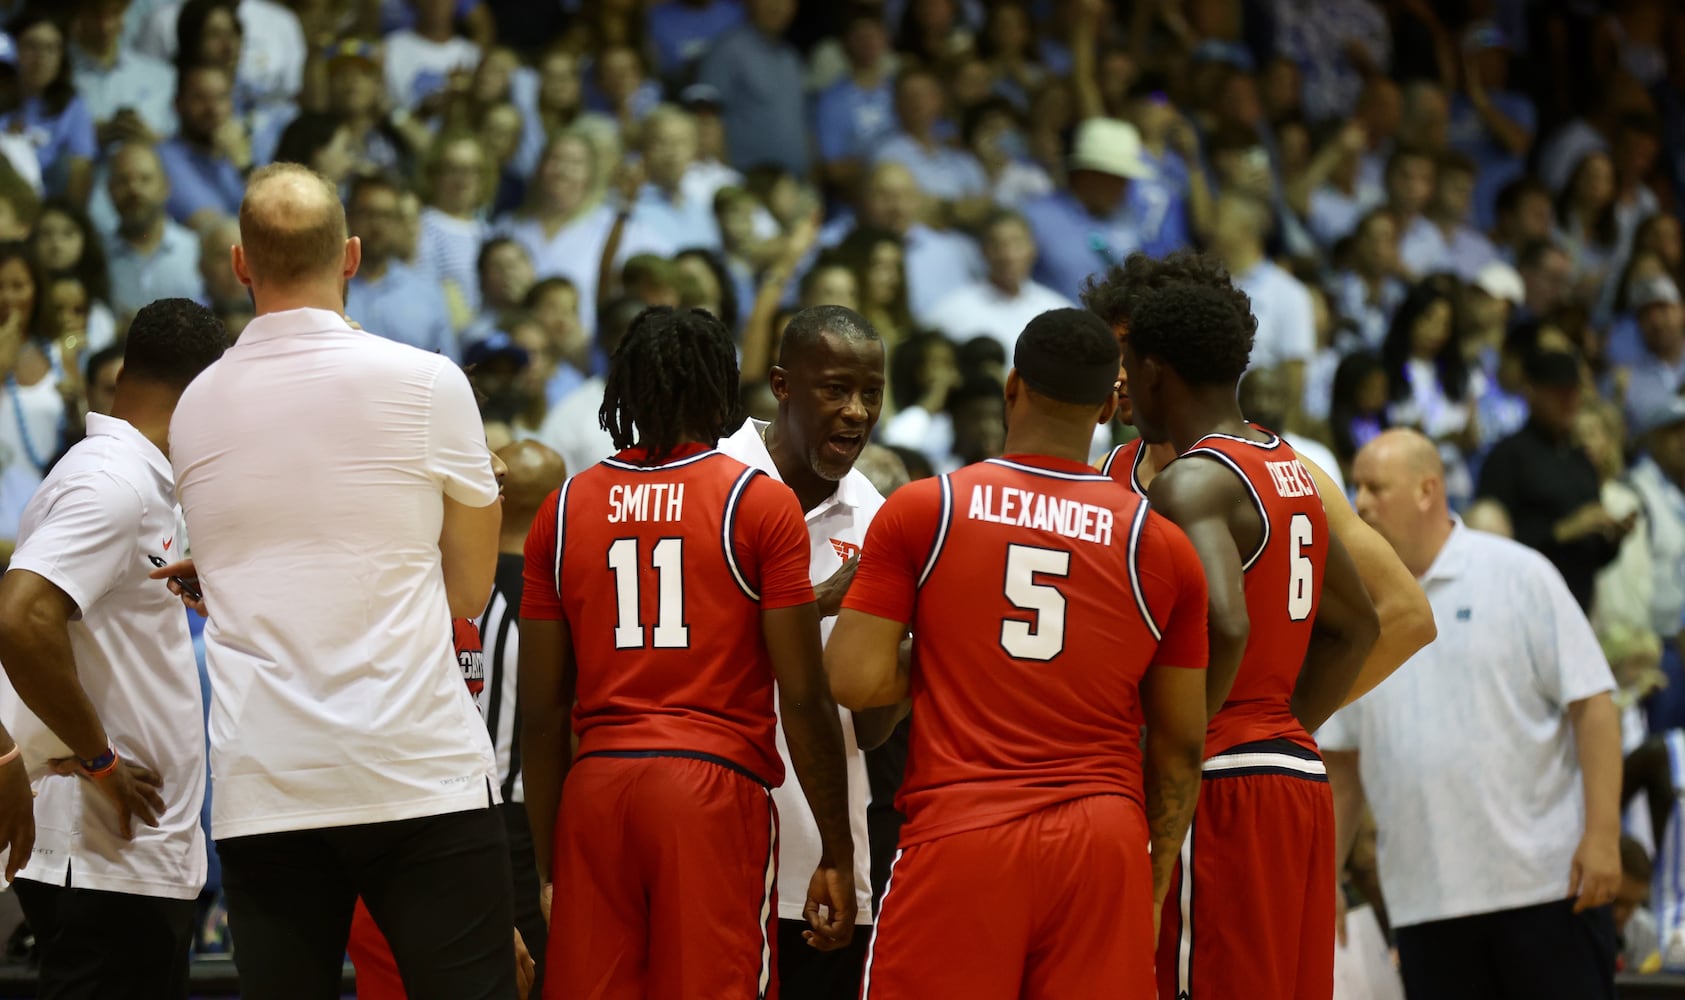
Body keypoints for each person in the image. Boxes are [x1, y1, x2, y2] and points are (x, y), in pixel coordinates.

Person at [160, 163, 515, 999]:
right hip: (417, 767)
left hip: (268, 781)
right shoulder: (430, 383)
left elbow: (244, 555)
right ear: (351, 255)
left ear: (242, 265)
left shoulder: (194, 407)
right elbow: (467, 596)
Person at [825, 307, 1211, 995]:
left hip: (965, 832)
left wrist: (952, 656)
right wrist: (1150, 891)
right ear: (1104, 410)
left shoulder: (925, 509)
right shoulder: (1163, 547)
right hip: (1103, 845)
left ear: (1010, 388)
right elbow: (1180, 746)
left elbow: (853, 680)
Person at [518, 306, 856, 998]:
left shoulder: (563, 507)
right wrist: (836, 847)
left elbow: (540, 711)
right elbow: (802, 695)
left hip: (597, 790)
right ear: (721, 391)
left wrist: (550, 862)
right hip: (709, 789)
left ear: (627, 391)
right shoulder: (757, 504)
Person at [1119, 277, 1382, 1000]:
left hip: (1219, 782)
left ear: (1152, 372)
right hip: (1295, 779)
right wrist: (1286, 723)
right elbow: (1358, 626)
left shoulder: (1191, 482)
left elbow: (1227, 622)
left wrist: (1185, 739)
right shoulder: (1290, 468)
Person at [1326, 428, 1622, 1000]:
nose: (1358, 502)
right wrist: (1329, 876)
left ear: (1427, 490)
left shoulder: (1517, 574)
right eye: (1354, 486)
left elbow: (1593, 705)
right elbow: (1342, 766)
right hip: (1423, 901)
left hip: (1544, 887)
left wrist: (1603, 835)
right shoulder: (1354, 612)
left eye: (1375, 487)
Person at [1083, 253, 1433, 709]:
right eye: (1113, 353)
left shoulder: (1292, 473)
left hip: (1232, 759)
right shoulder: (1099, 477)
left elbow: (1406, 614)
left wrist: (1284, 727)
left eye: (1131, 350)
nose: (1120, 373)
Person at [0, 298, 224, 999]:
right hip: (99, 858)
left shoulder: (136, 478)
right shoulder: (112, 483)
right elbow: (19, 619)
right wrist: (99, 759)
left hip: (127, 859)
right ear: (205, 394)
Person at [717, 304, 902, 999]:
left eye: (871, 392)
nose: (856, 412)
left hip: (822, 858)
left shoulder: (879, 519)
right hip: (710, 841)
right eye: (835, 389)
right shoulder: (711, 478)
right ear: (781, 385)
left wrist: (903, 663)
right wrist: (812, 604)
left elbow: (871, 725)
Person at [1476, 350, 1627, 611]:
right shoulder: (1508, 456)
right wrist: (1564, 530)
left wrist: (1613, 537)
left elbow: (1594, 557)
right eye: (1559, 392)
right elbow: (1489, 547)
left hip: (1577, 607)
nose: (1569, 401)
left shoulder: (1581, 460)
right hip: (1523, 608)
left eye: (1574, 392)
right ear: (1531, 391)